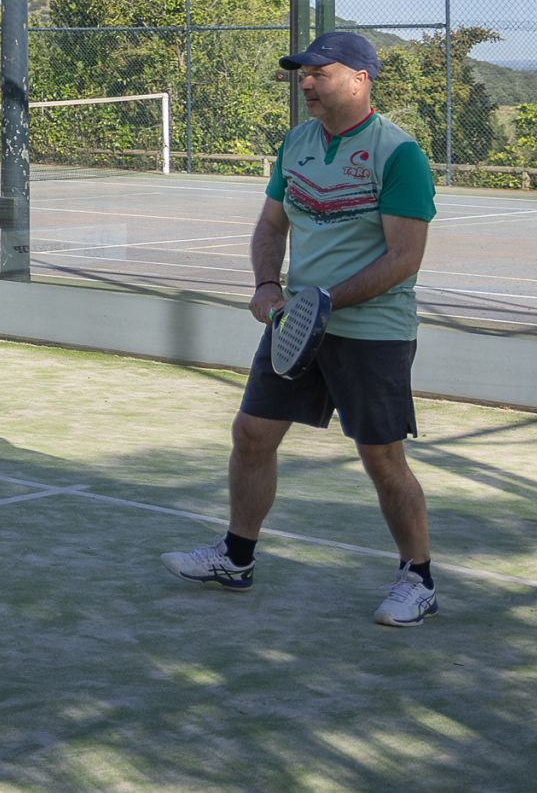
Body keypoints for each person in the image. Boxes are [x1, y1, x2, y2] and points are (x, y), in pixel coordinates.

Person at [162, 31, 442, 628]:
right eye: (302, 75)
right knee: (252, 434)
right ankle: (236, 558)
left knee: (381, 459)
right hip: (297, 326)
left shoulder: (399, 154)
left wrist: (324, 301)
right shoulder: (296, 144)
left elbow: (404, 258)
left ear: (360, 79)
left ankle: (417, 580)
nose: (306, 84)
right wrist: (268, 285)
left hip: (373, 331)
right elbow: (271, 226)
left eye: (320, 73)